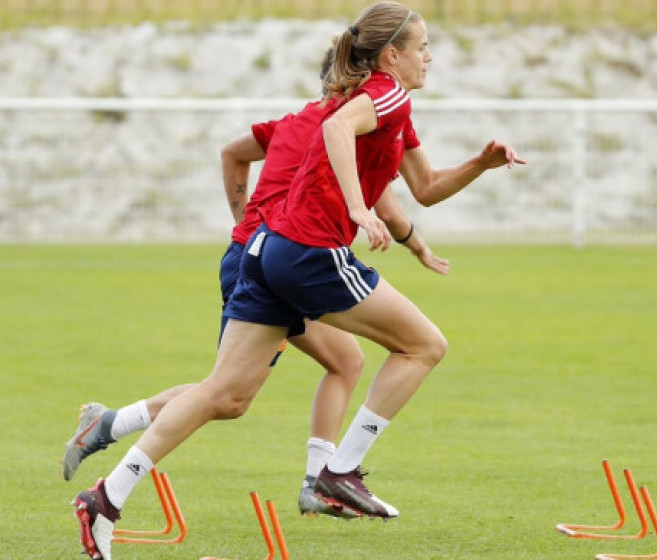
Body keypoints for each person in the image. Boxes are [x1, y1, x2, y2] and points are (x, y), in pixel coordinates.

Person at [72, 2, 525, 558]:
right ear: (392, 56)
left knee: (224, 394)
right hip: (308, 252)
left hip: (264, 250)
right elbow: (336, 128)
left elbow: (426, 187)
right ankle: (340, 471)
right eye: (423, 46)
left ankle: (105, 500)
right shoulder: (386, 92)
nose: (430, 56)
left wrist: (479, 164)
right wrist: (359, 211)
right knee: (425, 345)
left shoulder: (391, 109)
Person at [61, 73, 449, 520]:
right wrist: (412, 241)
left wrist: (244, 222)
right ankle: (321, 480)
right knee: (228, 394)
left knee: (294, 377)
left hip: (259, 253)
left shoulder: (296, 121)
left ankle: (319, 484)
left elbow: (233, 152)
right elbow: (386, 202)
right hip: (278, 260)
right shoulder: (338, 128)